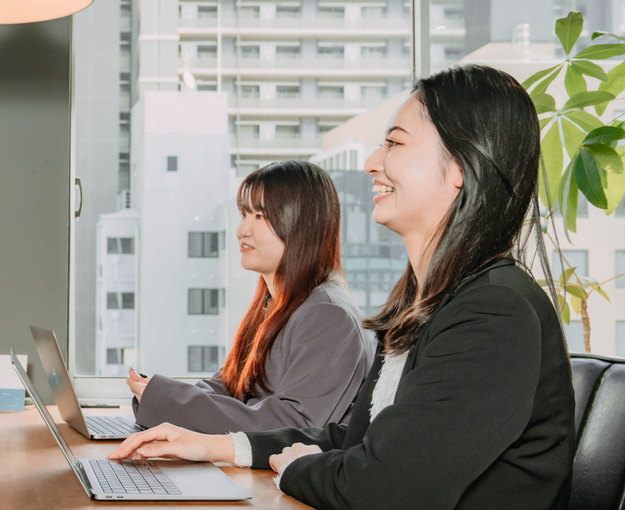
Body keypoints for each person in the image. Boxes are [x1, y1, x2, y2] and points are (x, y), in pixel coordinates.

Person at [108, 64, 576, 509]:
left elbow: (389, 488)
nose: (373, 162)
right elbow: (356, 441)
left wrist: (296, 470)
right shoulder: (433, 302)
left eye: (394, 143)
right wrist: (214, 445)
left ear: (460, 168)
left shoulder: (494, 312)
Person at [127, 161, 371, 434]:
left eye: (260, 216)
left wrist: (166, 399)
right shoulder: (275, 303)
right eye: (244, 214)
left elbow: (291, 426)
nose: (242, 229)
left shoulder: (328, 315)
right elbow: (229, 385)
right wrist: (159, 395)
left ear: (303, 224)